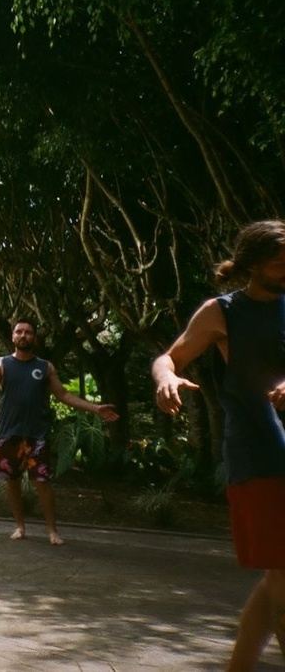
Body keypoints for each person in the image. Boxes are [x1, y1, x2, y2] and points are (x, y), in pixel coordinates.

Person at [153, 220, 285, 671]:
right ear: (251, 264)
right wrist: (166, 378)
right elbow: (169, 357)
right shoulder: (222, 312)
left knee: (277, 578)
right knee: (282, 576)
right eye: (278, 262)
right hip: (258, 453)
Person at [0, 317, 119, 545]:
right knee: (11, 482)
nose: (23, 335)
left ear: (34, 338)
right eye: (19, 331)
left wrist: (95, 408)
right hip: (8, 433)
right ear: (13, 336)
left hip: (36, 435)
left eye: (28, 332)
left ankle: (52, 531)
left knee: (42, 483)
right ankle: (20, 526)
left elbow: (63, 395)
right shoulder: (1, 363)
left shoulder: (45, 367)